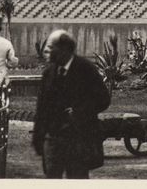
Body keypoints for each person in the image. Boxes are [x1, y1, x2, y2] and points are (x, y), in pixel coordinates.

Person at [32, 30, 111, 179]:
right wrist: (38, 137)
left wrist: (79, 111)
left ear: (64, 49)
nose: (46, 50)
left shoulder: (86, 69)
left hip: (78, 139)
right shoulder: (49, 73)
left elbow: (103, 99)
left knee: (77, 178)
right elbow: (41, 108)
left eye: (51, 47)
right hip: (53, 140)